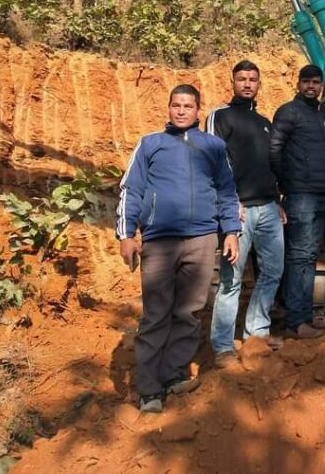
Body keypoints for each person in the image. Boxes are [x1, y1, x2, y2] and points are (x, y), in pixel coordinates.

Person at [116, 84, 240, 413]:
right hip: (159, 241)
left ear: (199, 110)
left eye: (188, 106)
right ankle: (149, 390)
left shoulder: (214, 146)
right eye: (176, 105)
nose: (182, 110)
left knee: (189, 312)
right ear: (169, 108)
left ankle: (174, 375)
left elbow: (227, 191)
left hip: (202, 239)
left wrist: (231, 231)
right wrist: (126, 234)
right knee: (156, 314)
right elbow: (131, 189)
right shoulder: (150, 144)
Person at [205, 60, 285, 364]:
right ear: (233, 82)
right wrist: (228, 201)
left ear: (259, 84)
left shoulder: (265, 122)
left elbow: (269, 165)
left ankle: (257, 332)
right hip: (237, 211)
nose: (248, 83)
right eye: (242, 79)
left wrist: (277, 200)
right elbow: (214, 161)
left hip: (268, 209)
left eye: (253, 79)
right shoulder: (220, 116)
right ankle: (223, 346)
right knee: (231, 280)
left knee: (273, 271)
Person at [270, 65, 325, 340]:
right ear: (298, 84)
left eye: (316, 82)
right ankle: (296, 322)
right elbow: (274, 148)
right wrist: (285, 182)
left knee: (308, 256)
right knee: (299, 256)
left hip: (321, 194)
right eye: (306, 81)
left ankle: (304, 315)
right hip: (301, 195)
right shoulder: (289, 112)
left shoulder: (321, 115)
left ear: (321, 85)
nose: (311, 86)